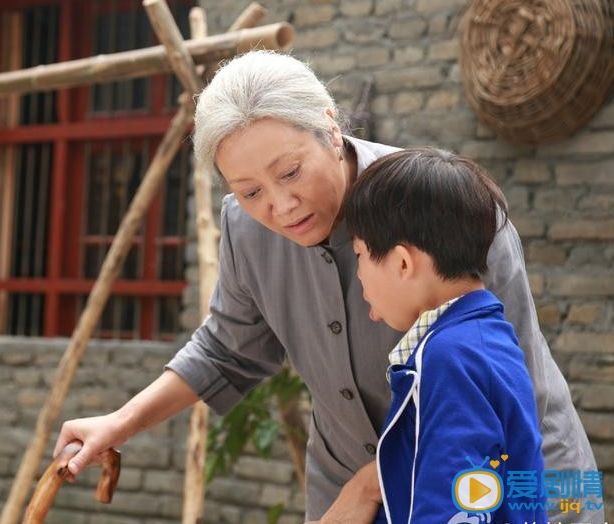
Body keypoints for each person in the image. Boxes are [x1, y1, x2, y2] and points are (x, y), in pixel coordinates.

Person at [53, 50, 602, 523]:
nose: (279, 206)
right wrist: (119, 424)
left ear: (330, 126)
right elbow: (225, 351)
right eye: (249, 191)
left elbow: (502, 393)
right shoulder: (245, 230)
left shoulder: (446, 209)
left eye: (290, 173)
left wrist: (370, 484)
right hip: (349, 498)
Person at [342, 148, 546, 524]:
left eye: (359, 256)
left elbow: (456, 502)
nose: (359, 276)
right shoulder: (484, 338)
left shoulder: (447, 357)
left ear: (402, 263)